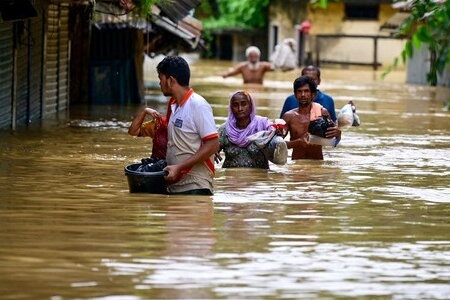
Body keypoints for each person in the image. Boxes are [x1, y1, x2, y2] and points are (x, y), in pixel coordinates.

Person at [128, 56, 219, 195]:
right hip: (174, 186)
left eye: (161, 79)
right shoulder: (173, 105)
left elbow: (213, 144)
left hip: (195, 187)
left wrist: (179, 167)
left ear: (170, 80)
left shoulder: (198, 105)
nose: (159, 83)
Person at [217, 90, 286, 169]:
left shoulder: (263, 125)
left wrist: (278, 134)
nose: (240, 108)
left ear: (250, 105)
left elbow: (278, 146)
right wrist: (212, 152)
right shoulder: (225, 130)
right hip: (231, 178)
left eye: (244, 104)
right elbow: (212, 150)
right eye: (235, 105)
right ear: (231, 108)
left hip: (259, 179)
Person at [282, 76, 340, 160]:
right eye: (299, 91)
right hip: (297, 165)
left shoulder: (322, 113)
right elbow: (278, 144)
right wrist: (297, 143)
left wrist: (338, 134)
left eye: (306, 91)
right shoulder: (288, 116)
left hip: (317, 165)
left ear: (313, 94)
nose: (303, 95)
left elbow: (334, 142)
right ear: (295, 94)